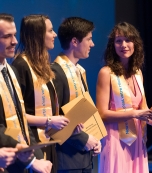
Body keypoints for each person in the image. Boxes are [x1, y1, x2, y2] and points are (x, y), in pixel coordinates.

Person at [96, 22, 152, 173]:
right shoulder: (106, 73)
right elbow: (101, 114)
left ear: (135, 43)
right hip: (115, 139)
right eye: (118, 40)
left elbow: (145, 111)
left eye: (128, 40)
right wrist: (134, 113)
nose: (124, 45)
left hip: (137, 139)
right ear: (112, 45)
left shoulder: (138, 73)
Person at [12, 14, 72, 173]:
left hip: (48, 142)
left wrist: (68, 123)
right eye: (50, 31)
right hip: (31, 145)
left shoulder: (43, 64)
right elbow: (15, 115)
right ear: (38, 35)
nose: (55, 35)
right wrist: (49, 121)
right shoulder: (20, 65)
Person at [0, 13, 52, 173]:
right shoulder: (20, 66)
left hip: (20, 161)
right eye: (7, 36)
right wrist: (31, 160)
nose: (14, 41)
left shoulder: (11, 71)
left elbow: (21, 119)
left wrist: (36, 156)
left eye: (14, 35)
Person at [51, 17, 101, 173]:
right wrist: (85, 139)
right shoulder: (55, 72)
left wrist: (95, 138)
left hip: (85, 156)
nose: (92, 44)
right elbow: (55, 119)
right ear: (74, 41)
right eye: (89, 39)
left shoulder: (79, 71)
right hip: (67, 159)